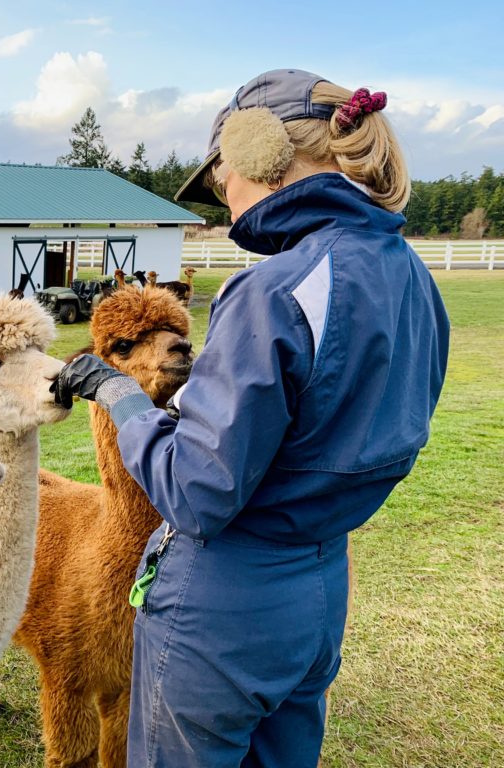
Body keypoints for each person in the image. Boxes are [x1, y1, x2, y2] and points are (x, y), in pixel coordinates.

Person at [52, 69, 450, 767]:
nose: (224, 201)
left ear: (256, 151)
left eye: (218, 181)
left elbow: (199, 493)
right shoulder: (410, 275)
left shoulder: (274, 287)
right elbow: (326, 415)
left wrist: (119, 399)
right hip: (321, 581)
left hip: (227, 597)